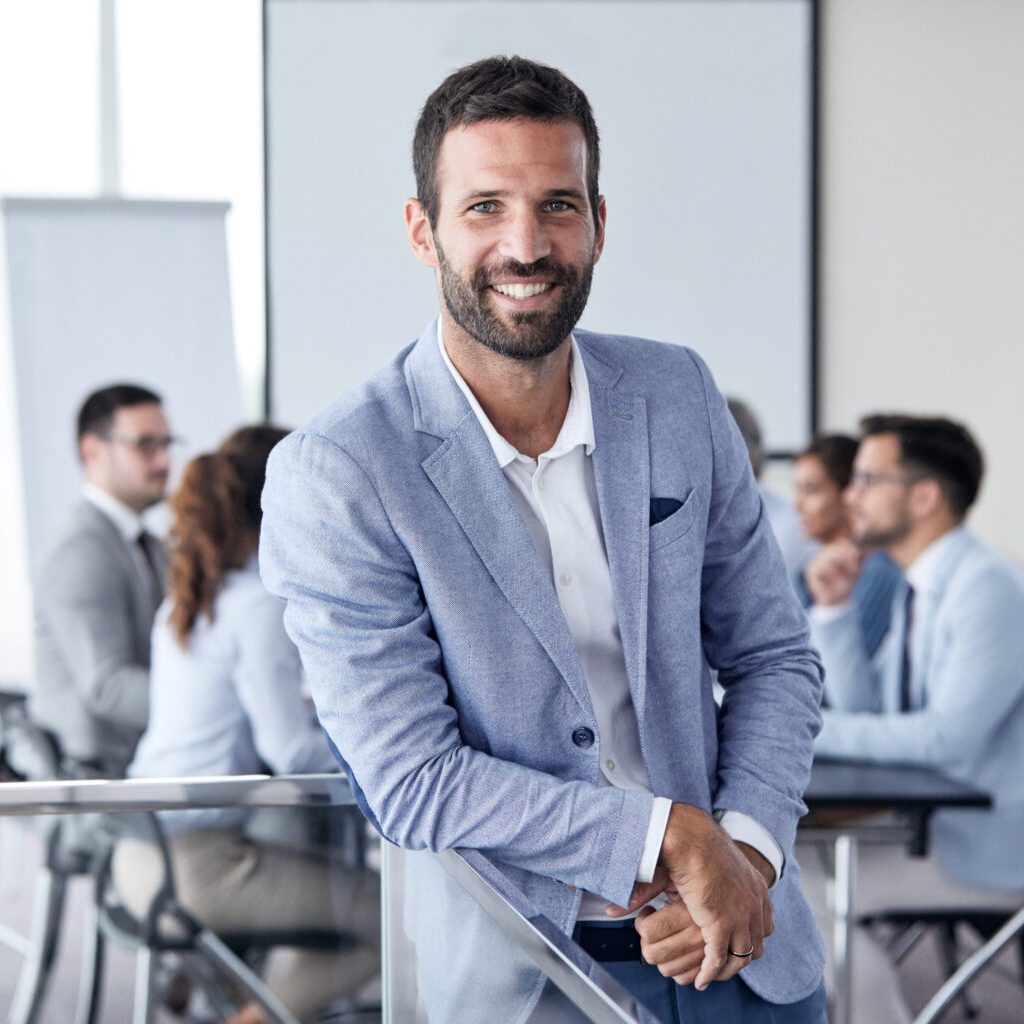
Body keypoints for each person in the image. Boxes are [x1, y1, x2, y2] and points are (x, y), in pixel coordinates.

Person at [261, 56, 825, 1023]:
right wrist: (664, 838)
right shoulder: (341, 469)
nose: (527, 244)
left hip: (743, 945)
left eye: (558, 206)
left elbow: (775, 658)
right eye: (485, 207)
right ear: (422, 228)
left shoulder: (677, 393)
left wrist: (744, 851)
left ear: (600, 225)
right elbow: (411, 779)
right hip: (526, 968)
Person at [113, 425, 380, 1024]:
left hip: (137, 859)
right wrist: (385, 748)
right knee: (391, 917)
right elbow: (288, 752)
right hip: (198, 868)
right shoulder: (257, 606)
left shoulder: (184, 605)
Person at [802, 414, 1024, 1023]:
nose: (851, 496)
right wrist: (836, 612)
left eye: (868, 479)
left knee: (790, 894)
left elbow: (947, 738)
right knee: (778, 867)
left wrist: (806, 727)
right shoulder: (920, 586)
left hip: (988, 850)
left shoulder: (987, 589)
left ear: (924, 496)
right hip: (934, 830)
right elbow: (871, 714)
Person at [31, 383, 172, 774]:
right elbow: (108, 687)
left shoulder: (153, 546)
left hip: (142, 777)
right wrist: (211, 704)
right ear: (91, 450)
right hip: (99, 793)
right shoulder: (80, 550)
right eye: (145, 444)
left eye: (167, 443)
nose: (164, 460)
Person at [792, 434, 900, 657]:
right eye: (798, 490)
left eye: (811, 490)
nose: (798, 505)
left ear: (848, 493)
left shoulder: (878, 571)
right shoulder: (808, 570)